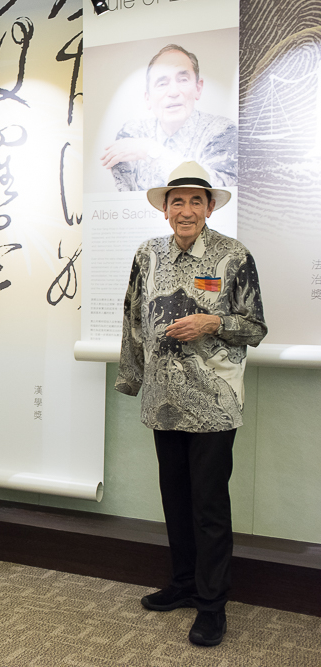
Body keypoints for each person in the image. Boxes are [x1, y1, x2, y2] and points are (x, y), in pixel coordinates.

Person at [115, 161, 267, 647]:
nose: (185, 210)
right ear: (164, 210)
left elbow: (256, 328)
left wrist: (213, 324)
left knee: (208, 506)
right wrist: (132, 379)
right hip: (164, 401)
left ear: (209, 208)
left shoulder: (233, 256)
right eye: (176, 201)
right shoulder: (147, 254)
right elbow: (133, 318)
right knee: (175, 502)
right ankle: (182, 584)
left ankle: (212, 604)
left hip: (214, 404)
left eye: (195, 201)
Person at [101, 44, 237, 192]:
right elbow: (127, 201)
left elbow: (220, 190)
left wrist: (151, 151)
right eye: (162, 83)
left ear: (198, 88)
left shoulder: (222, 131)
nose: (173, 92)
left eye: (183, 79)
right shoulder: (132, 134)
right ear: (148, 98)